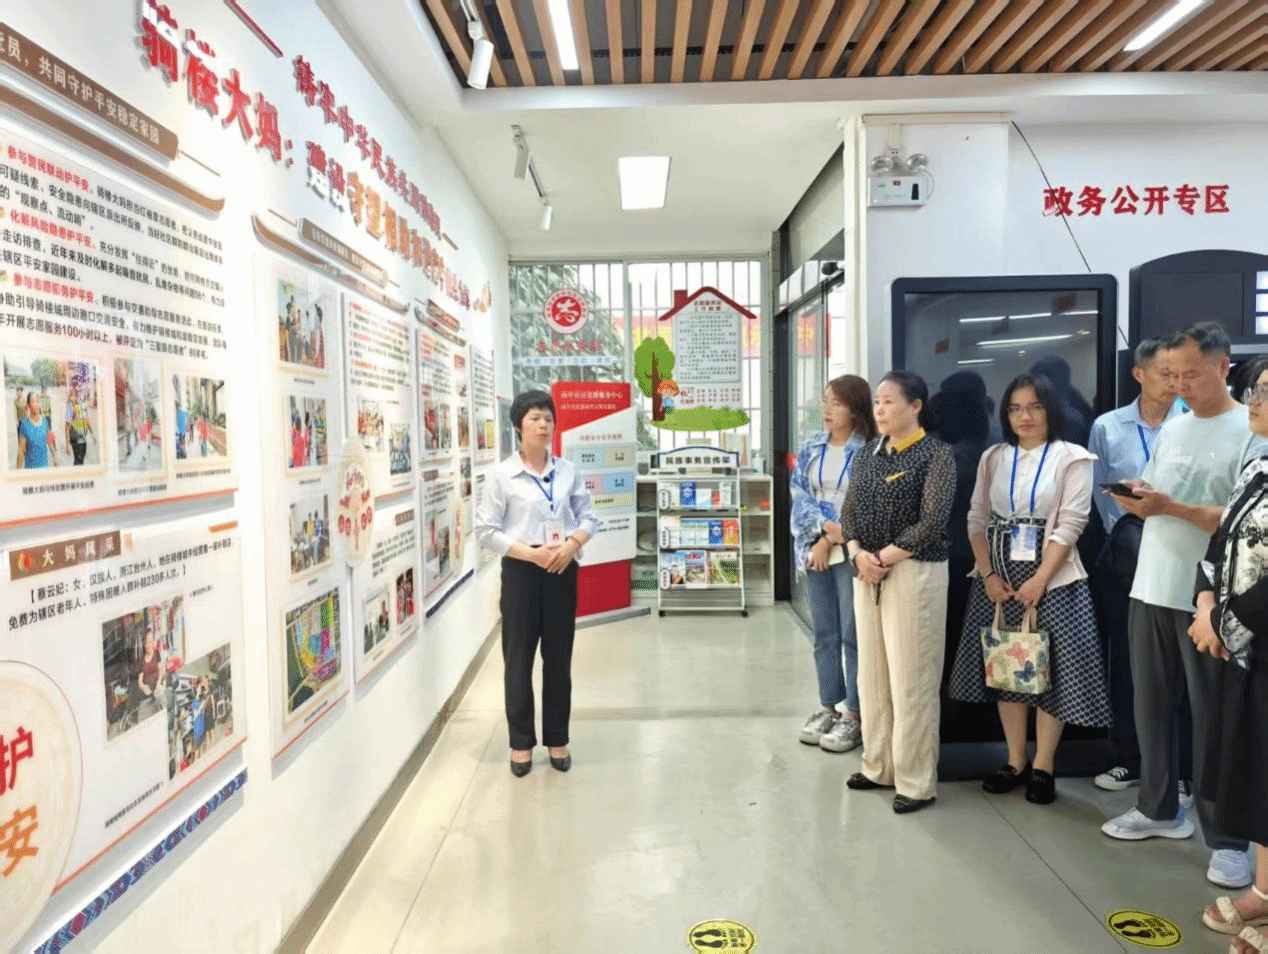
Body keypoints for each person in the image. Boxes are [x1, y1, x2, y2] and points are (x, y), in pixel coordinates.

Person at [1102, 322, 1255, 891]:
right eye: (1171, 374)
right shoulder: (1175, 425)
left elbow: (1241, 520)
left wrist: (1169, 507)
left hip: (1209, 597)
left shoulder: (1250, 430)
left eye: (1191, 373)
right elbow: (1161, 489)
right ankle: (1159, 807)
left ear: (1223, 367)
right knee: (1151, 706)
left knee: (1213, 721)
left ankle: (1228, 840)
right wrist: (1142, 495)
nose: (1180, 384)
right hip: (1151, 584)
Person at [948, 373, 1110, 804]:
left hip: (1055, 579)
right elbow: (976, 518)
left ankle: (1044, 765)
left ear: (1050, 410)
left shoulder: (1073, 458)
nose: (1025, 416)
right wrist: (987, 575)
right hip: (997, 581)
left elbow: (1072, 523)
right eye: (1016, 408)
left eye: (1034, 407)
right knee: (1008, 668)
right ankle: (1015, 760)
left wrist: (1040, 579)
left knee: (1050, 675)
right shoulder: (994, 457)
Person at [840, 370, 955, 814]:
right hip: (866, 571)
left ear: (915, 406)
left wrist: (882, 557)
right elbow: (849, 512)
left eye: (889, 401)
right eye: (878, 402)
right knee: (872, 677)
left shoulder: (935, 454)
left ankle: (915, 780)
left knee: (912, 680)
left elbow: (933, 521)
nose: (880, 410)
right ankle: (878, 766)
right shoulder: (868, 452)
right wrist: (857, 554)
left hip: (912, 571)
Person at [475, 390, 598, 777]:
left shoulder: (568, 471)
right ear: (518, 426)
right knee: (518, 660)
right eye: (535, 419)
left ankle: (558, 738)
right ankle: (521, 743)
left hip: (562, 569)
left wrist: (572, 545)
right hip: (522, 572)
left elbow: (588, 516)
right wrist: (532, 555)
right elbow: (485, 531)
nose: (543, 425)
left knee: (559, 660)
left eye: (548, 419)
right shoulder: (501, 476)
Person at [1192, 356, 1268, 952]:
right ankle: (1264, 892)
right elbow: (1221, 540)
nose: (1255, 401)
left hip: (1254, 637)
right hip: (1243, 648)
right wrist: (1205, 603)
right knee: (1257, 772)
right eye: (1256, 389)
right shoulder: (1259, 464)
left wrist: (1224, 624)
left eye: (1265, 392)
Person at [1089, 339, 1186, 792]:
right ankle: (1129, 757)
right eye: (1166, 373)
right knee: (1128, 658)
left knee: (1182, 662)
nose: (1174, 382)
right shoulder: (1107, 427)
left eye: (1180, 374)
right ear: (1139, 374)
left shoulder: (1191, 423)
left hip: (1182, 552)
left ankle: (1180, 769)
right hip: (1127, 555)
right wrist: (1127, 532)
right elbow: (1098, 493)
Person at [789, 374, 877, 754]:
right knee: (824, 633)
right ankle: (828, 706)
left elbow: (868, 503)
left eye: (836, 403)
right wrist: (823, 532)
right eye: (825, 401)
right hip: (814, 549)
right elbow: (799, 494)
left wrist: (832, 538)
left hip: (852, 551)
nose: (827, 409)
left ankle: (854, 714)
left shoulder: (870, 450)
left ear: (855, 409)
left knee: (852, 634)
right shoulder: (812, 446)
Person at [928, 371, 992, 696]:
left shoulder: (954, 457)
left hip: (954, 557)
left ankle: (953, 705)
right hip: (983, 557)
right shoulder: (991, 446)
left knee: (951, 639)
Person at [16, 392, 57, 469]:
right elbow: (21, 451)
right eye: (32, 402)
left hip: (44, 468)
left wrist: (55, 457)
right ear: (28, 405)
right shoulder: (25, 425)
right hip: (31, 470)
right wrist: (18, 472)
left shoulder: (45, 421)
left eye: (37, 401)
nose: (36, 404)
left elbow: (50, 442)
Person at [65, 380, 94, 466]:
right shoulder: (70, 404)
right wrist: (68, 445)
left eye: (80, 386)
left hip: (83, 438)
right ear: (73, 388)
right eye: (76, 386)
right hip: (76, 439)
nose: (79, 389)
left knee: (81, 461)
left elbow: (87, 419)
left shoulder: (83, 402)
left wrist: (92, 434)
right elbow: (67, 426)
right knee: (78, 461)